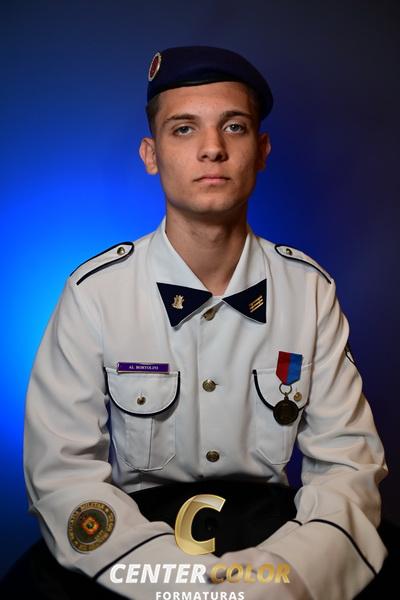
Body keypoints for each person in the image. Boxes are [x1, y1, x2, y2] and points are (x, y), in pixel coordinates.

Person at [22, 46, 388, 599]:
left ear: (261, 151)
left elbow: (348, 468)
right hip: (134, 548)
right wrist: (185, 588)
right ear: (151, 154)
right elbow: (62, 478)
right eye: (184, 129)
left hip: (281, 539)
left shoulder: (310, 291)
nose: (212, 148)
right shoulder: (94, 294)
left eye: (234, 127)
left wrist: (277, 582)